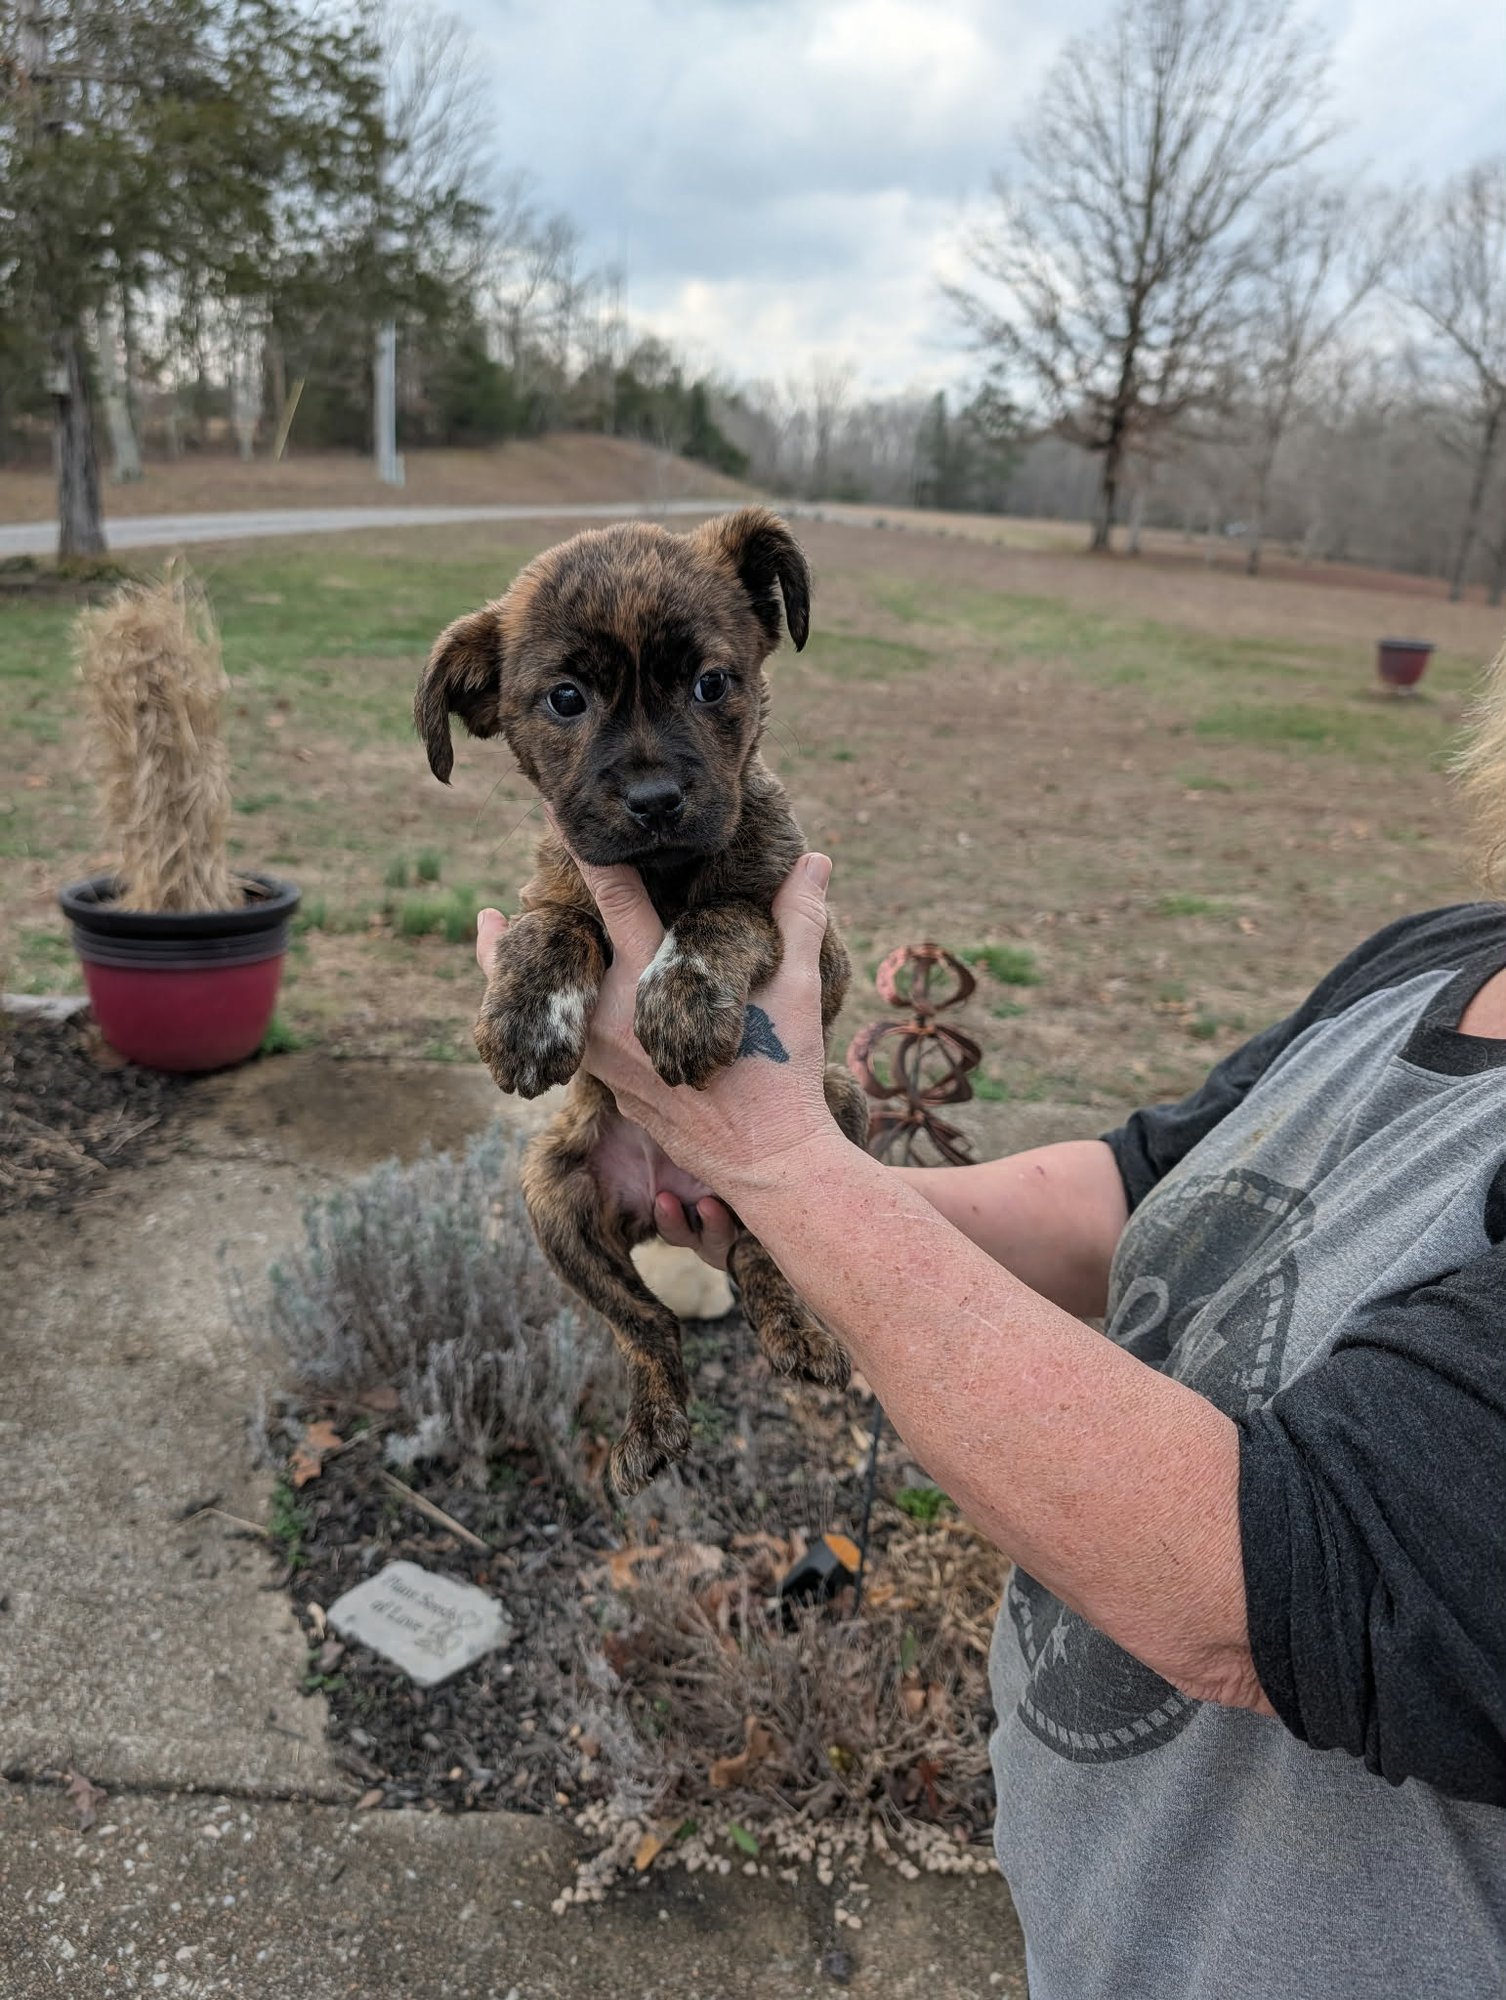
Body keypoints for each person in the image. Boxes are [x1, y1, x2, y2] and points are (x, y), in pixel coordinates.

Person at [473, 722, 1506, 1996]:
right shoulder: (1442, 958)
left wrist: (779, 1162)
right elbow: (1127, 1193)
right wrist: (806, 1199)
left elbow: (1270, 1579)